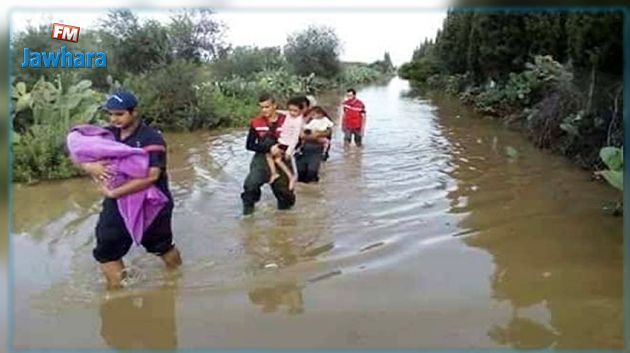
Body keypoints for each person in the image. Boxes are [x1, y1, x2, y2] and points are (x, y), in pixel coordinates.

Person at [75, 91, 182, 289]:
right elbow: (77, 151)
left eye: (120, 114)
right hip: (116, 202)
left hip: (151, 203)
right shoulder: (107, 135)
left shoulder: (151, 139)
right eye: (111, 114)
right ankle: (118, 293)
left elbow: (151, 176)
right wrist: (90, 167)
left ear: (134, 112)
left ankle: (176, 279)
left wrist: (115, 192)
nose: (114, 119)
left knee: (161, 246)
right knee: (106, 248)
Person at [241, 93, 296, 216]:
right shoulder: (256, 122)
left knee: (285, 194)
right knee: (250, 186)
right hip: (261, 158)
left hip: (282, 158)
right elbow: (249, 145)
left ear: (274, 106)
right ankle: (248, 216)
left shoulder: (288, 120)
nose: (264, 110)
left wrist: (281, 148)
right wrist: (268, 148)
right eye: (261, 107)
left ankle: (286, 222)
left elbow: (297, 141)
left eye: (267, 107)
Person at [266, 97, 304, 191]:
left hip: (287, 144)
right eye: (290, 110)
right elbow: (282, 112)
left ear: (301, 110)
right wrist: (271, 110)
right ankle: (290, 177)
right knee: (278, 160)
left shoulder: (298, 121)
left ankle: (275, 173)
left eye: (295, 111)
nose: (292, 113)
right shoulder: (288, 115)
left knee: (268, 153)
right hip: (282, 141)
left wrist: (288, 151)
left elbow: (295, 138)